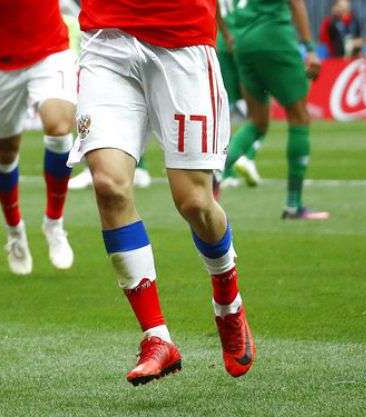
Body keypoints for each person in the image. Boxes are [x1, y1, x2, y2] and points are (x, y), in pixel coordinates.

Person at [71, 0, 255, 385]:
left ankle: (227, 297)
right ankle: (156, 337)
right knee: (108, 185)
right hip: (107, 38)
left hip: (182, 39)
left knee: (194, 201)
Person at [0, 0, 77, 275]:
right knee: (5, 152)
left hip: (51, 50)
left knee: (59, 127)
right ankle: (14, 230)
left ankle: (54, 224)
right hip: (1, 60)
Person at [224, 0, 328, 220]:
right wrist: (310, 49)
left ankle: (213, 172)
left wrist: (228, 35)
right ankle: (293, 205)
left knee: (256, 121)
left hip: (243, 41)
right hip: (274, 38)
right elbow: (296, 3)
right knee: (299, 118)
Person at [218, 0, 263, 189]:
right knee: (260, 109)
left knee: (226, 108)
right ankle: (247, 156)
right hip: (245, 41)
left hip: (221, 43)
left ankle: (226, 174)